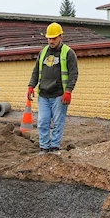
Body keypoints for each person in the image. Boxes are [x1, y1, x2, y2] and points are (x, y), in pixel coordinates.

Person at [27, 22, 78, 153]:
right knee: (43, 122)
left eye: (54, 38)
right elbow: (36, 70)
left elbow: (73, 73)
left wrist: (68, 91)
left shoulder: (68, 53)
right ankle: (44, 147)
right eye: (49, 38)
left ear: (61, 37)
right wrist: (31, 86)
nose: (51, 41)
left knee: (57, 123)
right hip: (44, 94)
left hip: (59, 95)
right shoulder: (43, 52)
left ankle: (54, 147)